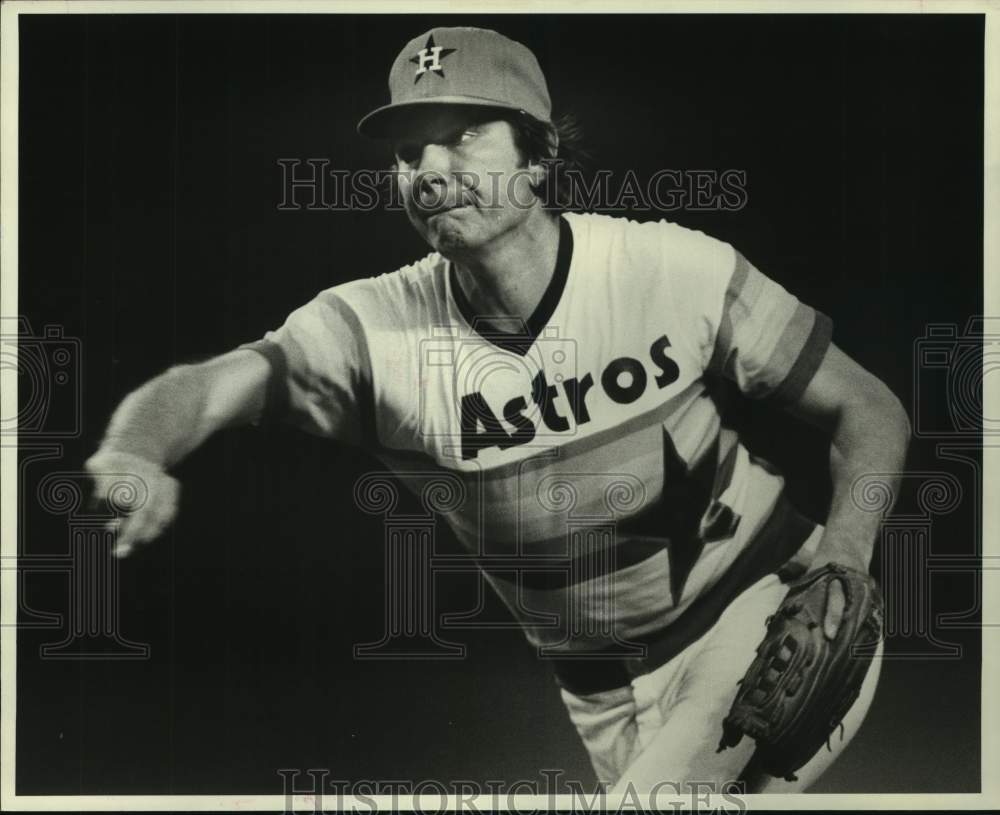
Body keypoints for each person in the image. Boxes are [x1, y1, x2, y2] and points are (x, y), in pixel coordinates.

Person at [85, 26, 911, 795]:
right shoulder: (372, 331)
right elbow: (207, 384)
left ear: (540, 153)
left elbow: (869, 407)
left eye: (466, 134)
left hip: (763, 616)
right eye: (410, 150)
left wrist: (847, 552)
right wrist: (136, 451)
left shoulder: (672, 269)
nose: (432, 167)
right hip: (595, 692)